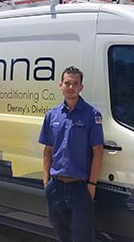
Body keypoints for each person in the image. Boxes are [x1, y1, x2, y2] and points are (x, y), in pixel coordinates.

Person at [39, 66, 104, 242]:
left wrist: (91, 185)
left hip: (80, 187)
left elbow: (98, 152)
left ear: (81, 87)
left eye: (75, 84)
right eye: (67, 83)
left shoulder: (92, 115)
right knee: (61, 233)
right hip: (56, 186)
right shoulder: (52, 115)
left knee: (82, 236)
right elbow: (48, 149)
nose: (71, 87)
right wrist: (46, 181)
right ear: (60, 85)